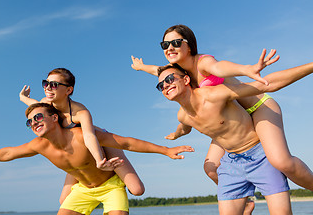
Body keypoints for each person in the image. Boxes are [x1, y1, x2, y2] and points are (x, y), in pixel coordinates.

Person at [131, 24, 313, 193]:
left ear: (190, 46)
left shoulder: (203, 63)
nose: (170, 48)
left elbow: (219, 67)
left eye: (176, 42)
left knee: (281, 161)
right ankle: (245, 198)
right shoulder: (176, 73)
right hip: (231, 119)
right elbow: (157, 70)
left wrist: (246, 69)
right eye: (165, 44)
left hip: (258, 108)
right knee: (211, 168)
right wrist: (140, 67)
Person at [0, 102, 194, 215]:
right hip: (82, 189)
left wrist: (165, 150)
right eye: (29, 121)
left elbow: (127, 142)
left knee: (135, 191)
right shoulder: (38, 145)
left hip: (109, 186)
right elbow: (8, 153)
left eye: (38, 117)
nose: (34, 123)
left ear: (54, 118)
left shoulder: (82, 135)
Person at [156, 61, 313, 215]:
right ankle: (247, 203)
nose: (165, 85)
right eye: (160, 85)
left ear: (186, 79)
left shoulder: (213, 95)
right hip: (231, 164)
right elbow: (184, 128)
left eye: (169, 79)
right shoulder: (182, 116)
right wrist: (175, 135)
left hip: (260, 156)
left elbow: (267, 85)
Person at [20, 68, 145, 200]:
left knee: (137, 189)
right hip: (79, 154)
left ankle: (114, 183)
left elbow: (89, 136)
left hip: (101, 142)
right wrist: (23, 98)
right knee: (63, 201)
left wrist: (99, 160)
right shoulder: (46, 103)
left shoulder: (79, 111)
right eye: (46, 84)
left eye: (54, 85)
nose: (48, 88)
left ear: (69, 90)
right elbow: (35, 106)